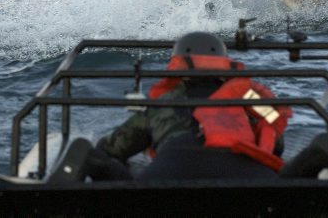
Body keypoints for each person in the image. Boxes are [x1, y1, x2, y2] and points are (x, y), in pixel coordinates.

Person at [90, 31, 291, 181]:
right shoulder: (249, 98)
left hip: (171, 170)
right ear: (222, 63)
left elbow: (114, 148)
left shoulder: (163, 102)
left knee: (91, 154)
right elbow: (276, 143)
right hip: (245, 173)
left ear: (178, 65)